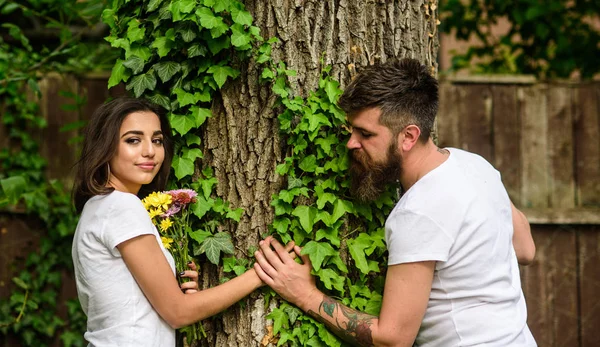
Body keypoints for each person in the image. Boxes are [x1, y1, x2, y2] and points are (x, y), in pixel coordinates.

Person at [253, 59, 537, 346]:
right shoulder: (476, 166)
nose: (351, 143)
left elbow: (393, 339)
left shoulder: (419, 210)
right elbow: (525, 249)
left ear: (409, 136)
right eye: (352, 130)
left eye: (366, 134)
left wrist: (305, 295)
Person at [71, 97, 291, 346]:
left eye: (157, 140)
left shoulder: (99, 206)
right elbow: (178, 312)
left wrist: (177, 286)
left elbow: (129, 302)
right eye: (133, 140)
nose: (150, 151)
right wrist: (262, 273)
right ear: (105, 146)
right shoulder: (121, 206)